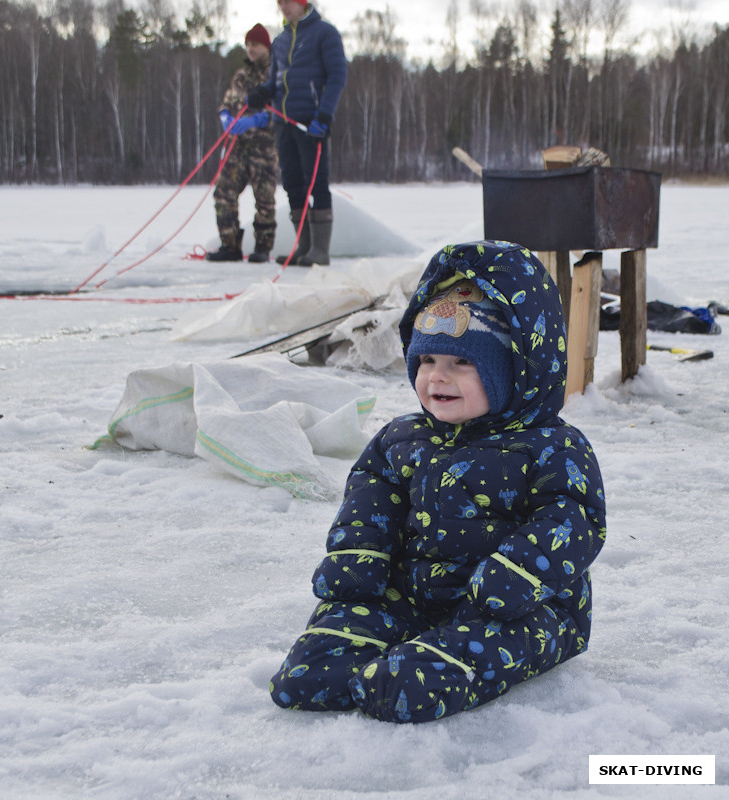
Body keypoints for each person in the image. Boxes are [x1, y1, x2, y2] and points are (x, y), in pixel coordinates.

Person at [269, 241, 607, 723]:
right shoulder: (401, 438)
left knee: (446, 666)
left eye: (462, 363)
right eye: (427, 361)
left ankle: (417, 670)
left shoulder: (554, 448)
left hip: (521, 607)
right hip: (410, 593)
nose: (437, 378)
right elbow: (370, 499)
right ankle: (355, 660)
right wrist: (357, 557)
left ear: (516, 368)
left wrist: (517, 576)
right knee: (313, 668)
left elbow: (574, 520)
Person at [247, 0, 347, 266]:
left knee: (316, 182)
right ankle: (304, 247)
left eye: (287, 2)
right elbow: (275, 80)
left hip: (311, 122)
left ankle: (320, 250)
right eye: (279, 3)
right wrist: (264, 91)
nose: (283, 7)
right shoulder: (280, 40)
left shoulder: (324, 33)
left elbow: (338, 75)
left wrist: (324, 115)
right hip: (284, 123)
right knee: (292, 182)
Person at [206, 23, 278, 263]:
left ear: (266, 47)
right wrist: (225, 115)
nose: (250, 49)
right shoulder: (240, 76)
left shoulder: (276, 74)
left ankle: (262, 248)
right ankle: (230, 245)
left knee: (264, 198)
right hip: (237, 147)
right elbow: (227, 101)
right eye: (248, 44)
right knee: (223, 192)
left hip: (263, 147)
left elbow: (282, 111)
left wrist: (258, 120)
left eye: (255, 44)